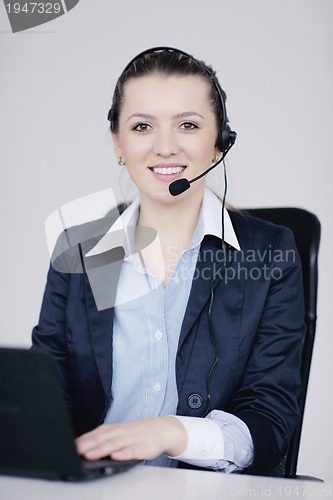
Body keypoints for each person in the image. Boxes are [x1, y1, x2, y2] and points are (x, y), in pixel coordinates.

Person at [32, 47, 305, 476]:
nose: (164, 147)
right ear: (118, 142)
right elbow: (47, 396)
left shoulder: (269, 254)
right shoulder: (81, 251)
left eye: (188, 125)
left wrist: (172, 432)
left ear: (219, 144)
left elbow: (270, 417)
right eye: (143, 126)